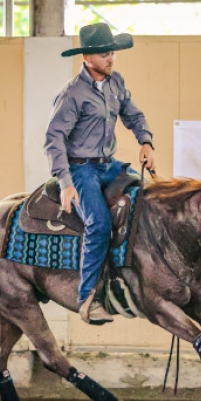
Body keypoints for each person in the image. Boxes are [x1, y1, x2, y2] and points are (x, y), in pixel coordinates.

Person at [44, 23, 156, 326]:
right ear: (88, 57)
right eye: (105, 54)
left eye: (113, 53)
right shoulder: (72, 95)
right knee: (99, 222)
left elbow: (133, 115)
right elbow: (54, 140)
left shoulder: (116, 82)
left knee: (147, 201)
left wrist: (145, 141)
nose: (111, 58)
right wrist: (65, 183)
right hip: (81, 170)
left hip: (109, 165)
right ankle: (88, 297)